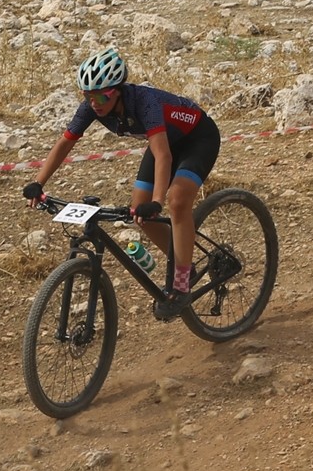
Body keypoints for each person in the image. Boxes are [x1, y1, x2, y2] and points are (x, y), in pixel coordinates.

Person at [23, 46, 221, 318]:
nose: (94, 102)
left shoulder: (146, 102)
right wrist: (38, 183)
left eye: (101, 96)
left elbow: (162, 155)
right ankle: (185, 263)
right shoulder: (93, 107)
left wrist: (157, 202)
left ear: (117, 90)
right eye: (87, 95)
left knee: (177, 201)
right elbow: (65, 143)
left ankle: (182, 283)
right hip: (164, 141)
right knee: (139, 211)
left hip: (198, 139)